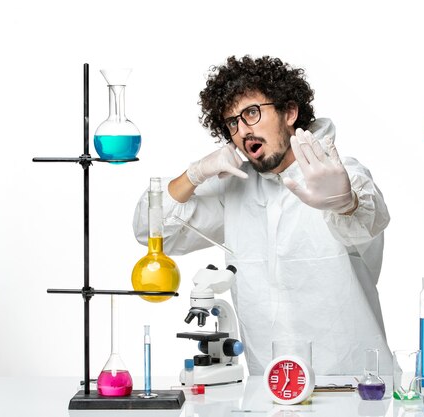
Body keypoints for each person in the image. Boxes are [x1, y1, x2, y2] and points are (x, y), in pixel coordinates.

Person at [133, 55, 392, 375]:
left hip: (353, 382)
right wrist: (195, 173)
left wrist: (345, 202)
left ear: (290, 112)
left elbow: (372, 219)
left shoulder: (339, 172)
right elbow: (153, 233)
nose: (242, 130)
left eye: (252, 113)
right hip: (268, 386)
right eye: (232, 122)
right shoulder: (235, 188)